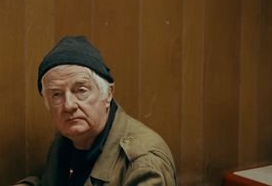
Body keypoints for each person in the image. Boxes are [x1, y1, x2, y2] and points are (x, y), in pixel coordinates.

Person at [14, 36, 176, 186]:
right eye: (56, 94)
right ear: (47, 103)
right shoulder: (66, 141)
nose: (69, 105)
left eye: (81, 90)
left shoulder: (143, 162)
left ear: (108, 94)